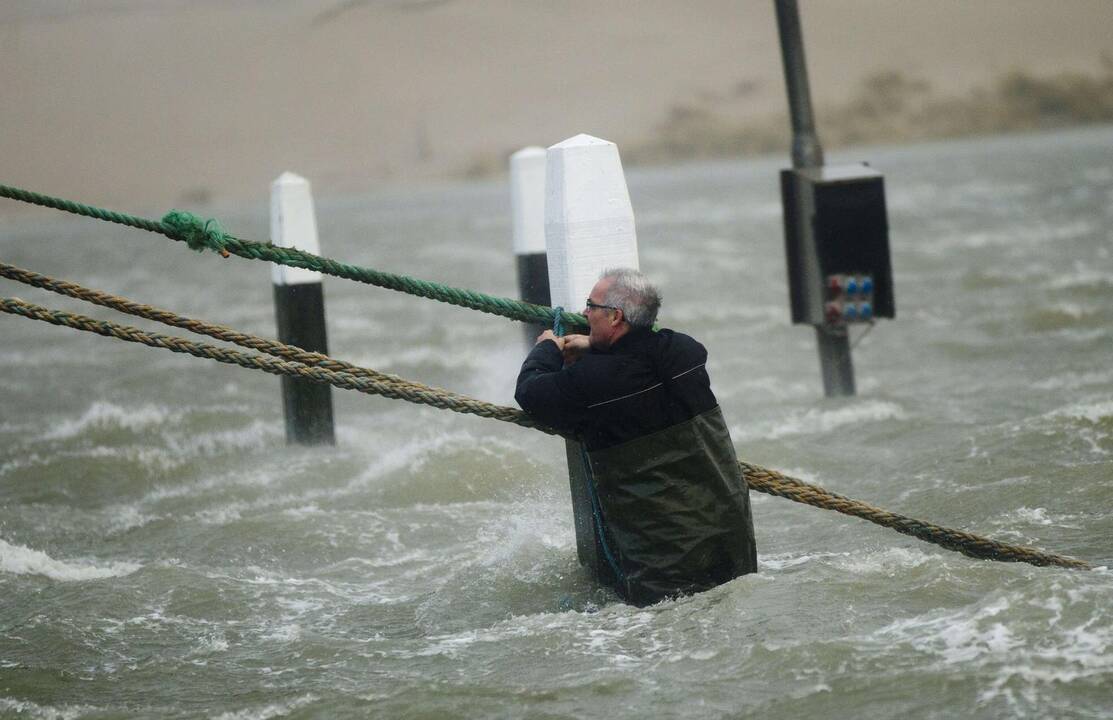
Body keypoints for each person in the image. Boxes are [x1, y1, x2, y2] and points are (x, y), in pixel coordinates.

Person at [515, 268, 757, 605]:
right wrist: (595, 346)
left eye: (590, 306)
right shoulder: (685, 353)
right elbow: (637, 360)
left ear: (615, 317)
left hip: (665, 562)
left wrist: (548, 350)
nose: (584, 314)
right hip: (731, 539)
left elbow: (531, 394)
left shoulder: (593, 382)